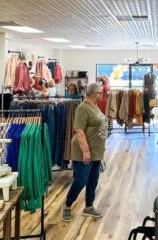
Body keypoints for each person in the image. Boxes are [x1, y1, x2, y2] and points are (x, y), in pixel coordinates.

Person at [62, 83, 108, 222]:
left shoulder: (95, 107)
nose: (103, 94)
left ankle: (88, 207)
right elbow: (79, 130)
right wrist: (86, 151)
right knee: (81, 180)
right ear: (93, 94)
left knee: (93, 180)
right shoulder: (82, 108)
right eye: (101, 92)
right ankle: (67, 205)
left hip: (96, 151)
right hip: (84, 151)